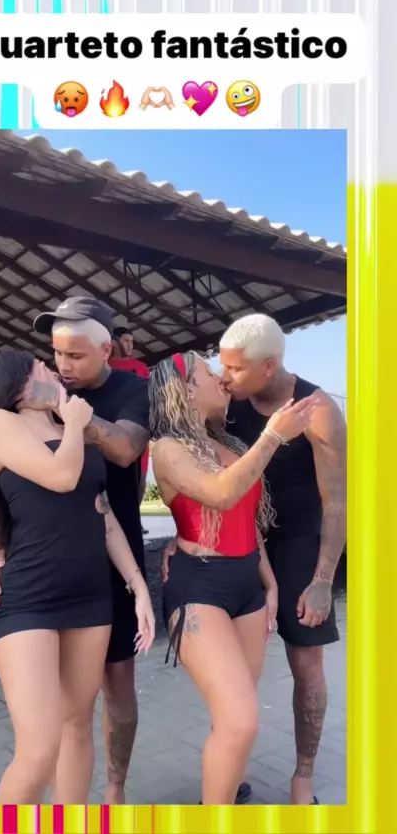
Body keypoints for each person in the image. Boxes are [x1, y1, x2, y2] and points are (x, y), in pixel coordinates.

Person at [0, 298, 151, 805]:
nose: (59, 367)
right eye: (51, 358)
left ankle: (104, 801)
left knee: (86, 716)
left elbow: (109, 491)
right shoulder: (8, 420)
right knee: (40, 748)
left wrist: (139, 585)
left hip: (95, 583)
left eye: (72, 356)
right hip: (33, 589)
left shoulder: (125, 393)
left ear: (105, 351)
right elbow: (46, 483)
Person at [150, 350, 317, 805]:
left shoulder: (230, 444)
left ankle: (226, 788)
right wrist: (273, 436)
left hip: (248, 586)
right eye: (209, 372)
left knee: (233, 715)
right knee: (241, 719)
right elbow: (220, 494)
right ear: (185, 389)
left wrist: (270, 582)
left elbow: (248, 519)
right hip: (199, 586)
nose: (221, 379)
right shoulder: (167, 448)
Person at [218, 313, 346, 805]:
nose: (225, 377)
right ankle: (232, 766)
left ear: (268, 366)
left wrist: (323, 580)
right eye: (223, 366)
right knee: (231, 666)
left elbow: (337, 503)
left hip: (297, 541)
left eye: (235, 369)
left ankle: (303, 777)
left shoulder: (317, 410)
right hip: (240, 536)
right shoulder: (226, 403)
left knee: (306, 663)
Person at [109, 327, 151, 533]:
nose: (130, 345)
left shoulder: (140, 367)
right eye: (126, 340)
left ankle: (135, 517)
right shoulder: (103, 367)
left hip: (137, 434)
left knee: (139, 478)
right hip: (110, 432)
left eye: (132, 341)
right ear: (114, 342)